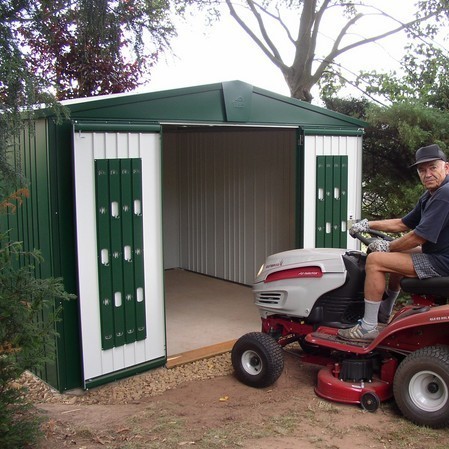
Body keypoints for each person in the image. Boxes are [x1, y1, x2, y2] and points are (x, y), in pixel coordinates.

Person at [338, 143, 449, 342]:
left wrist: (387, 246)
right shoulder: (430, 195)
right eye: (422, 170)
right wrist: (366, 224)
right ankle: (383, 312)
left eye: (433, 167)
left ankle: (368, 327)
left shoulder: (444, 195)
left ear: (446, 168)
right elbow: (401, 224)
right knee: (392, 257)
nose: (427, 173)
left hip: (442, 262)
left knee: (376, 261)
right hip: (438, 255)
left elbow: (418, 237)